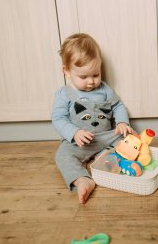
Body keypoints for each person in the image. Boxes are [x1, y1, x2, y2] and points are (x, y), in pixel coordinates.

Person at [51, 33, 133, 204]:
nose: (91, 82)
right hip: (80, 142)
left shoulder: (104, 90)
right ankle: (83, 179)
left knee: (129, 138)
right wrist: (74, 133)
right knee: (62, 155)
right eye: (83, 77)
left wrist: (122, 123)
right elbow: (58, 118)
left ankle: (105, 156)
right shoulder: (64, 94)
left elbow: (117, 106)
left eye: (95, 74)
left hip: (106, 137)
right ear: (66, 71)